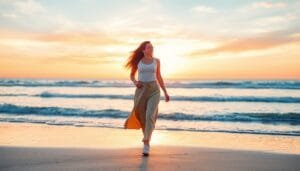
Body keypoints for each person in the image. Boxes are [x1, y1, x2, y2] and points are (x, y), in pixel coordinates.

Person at [124, 41, 170, 156]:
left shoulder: (157, 61)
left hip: (154, 89)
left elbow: (159, 76)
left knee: (150, 115)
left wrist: (165, 92)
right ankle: (146, 140)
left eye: (152, 47)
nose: (151, 49)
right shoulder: (138, 62)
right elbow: (131, 75)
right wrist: (135, 82)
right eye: (149, 47)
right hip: (141, 90)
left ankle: (146, 142)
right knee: (142, 117)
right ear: (143, 50)